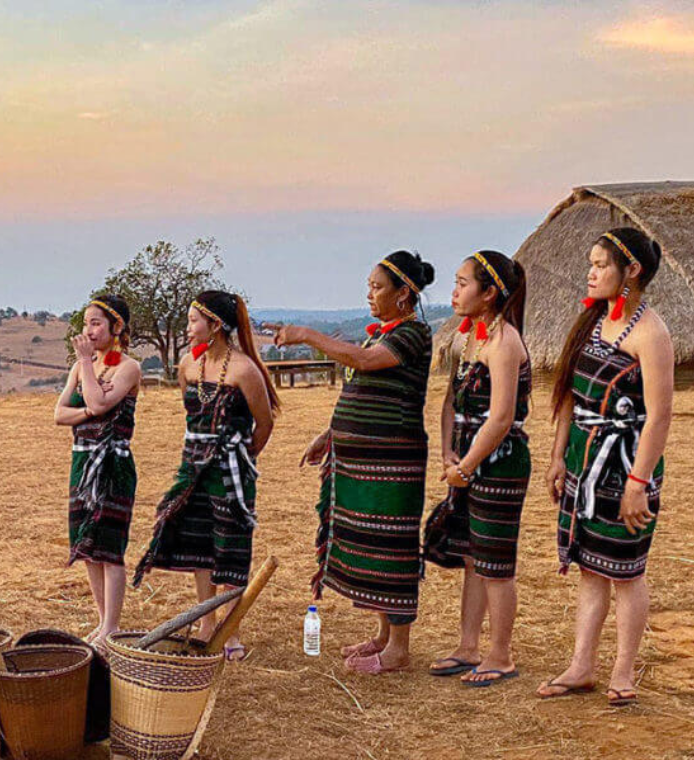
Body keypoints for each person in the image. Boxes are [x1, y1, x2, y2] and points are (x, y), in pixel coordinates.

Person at [274, 251, 434, 675]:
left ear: (404, 294)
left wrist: (307, 334)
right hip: (362, 460)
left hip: (392, 461)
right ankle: (383, 635)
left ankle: (399, 647)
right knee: (369, 542)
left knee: (391, 544)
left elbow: (362, 363)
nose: (369, 294)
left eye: (377, 287)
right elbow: (362, 386)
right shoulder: (382, 334)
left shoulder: (412, 334)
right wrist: (330, 435)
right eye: (368, 286)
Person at [539, 228, 673, 707]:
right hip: (582, 459)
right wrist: (557, 456)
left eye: (600, 265)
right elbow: (572, 399)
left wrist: (638, 483)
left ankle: (622, 671)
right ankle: (581, 665)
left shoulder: (651, 332)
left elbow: (659, 416)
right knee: (591, 570)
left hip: (625, 467)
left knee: (626, 572)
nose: (590, 273)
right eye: (590, 264)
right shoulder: (593, 323)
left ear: (631, 271)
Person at [136, 290, 278, 661]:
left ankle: (230, 629)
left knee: (229, 548)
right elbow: (192, 416)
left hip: (229, 473)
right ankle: (205, 621)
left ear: (215, 325)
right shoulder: (187, 366)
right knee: (200, 546)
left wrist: (240, 460)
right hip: (192, 467)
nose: (187, 328)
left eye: (193, 321)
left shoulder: (245, 370)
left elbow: (263, 424)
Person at [423, 251, 530, 686]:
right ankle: (468, 646)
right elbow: (450, 402)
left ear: (489, 294)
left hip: (499, 464)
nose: (454, 290)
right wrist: (448, 453)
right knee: (471, 556)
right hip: (467, 461)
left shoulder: (504, 342)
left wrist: (466, 465)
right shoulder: (467, 340)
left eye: (463, 283)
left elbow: (502, 417)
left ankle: (500, 654)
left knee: (494, 564)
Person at [55, 294, 141, 651]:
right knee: (87, 546)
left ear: (116, 327)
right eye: (85, 323)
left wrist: (87, 369)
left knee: (108, 546)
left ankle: (112, 626)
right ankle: (101, 619)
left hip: (112, 464)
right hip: (82, 460)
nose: (88, 330)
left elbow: (95, 400)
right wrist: (91, 412)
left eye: (96, 323)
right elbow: (60, 413)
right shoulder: (81, 368)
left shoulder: (128, 368)